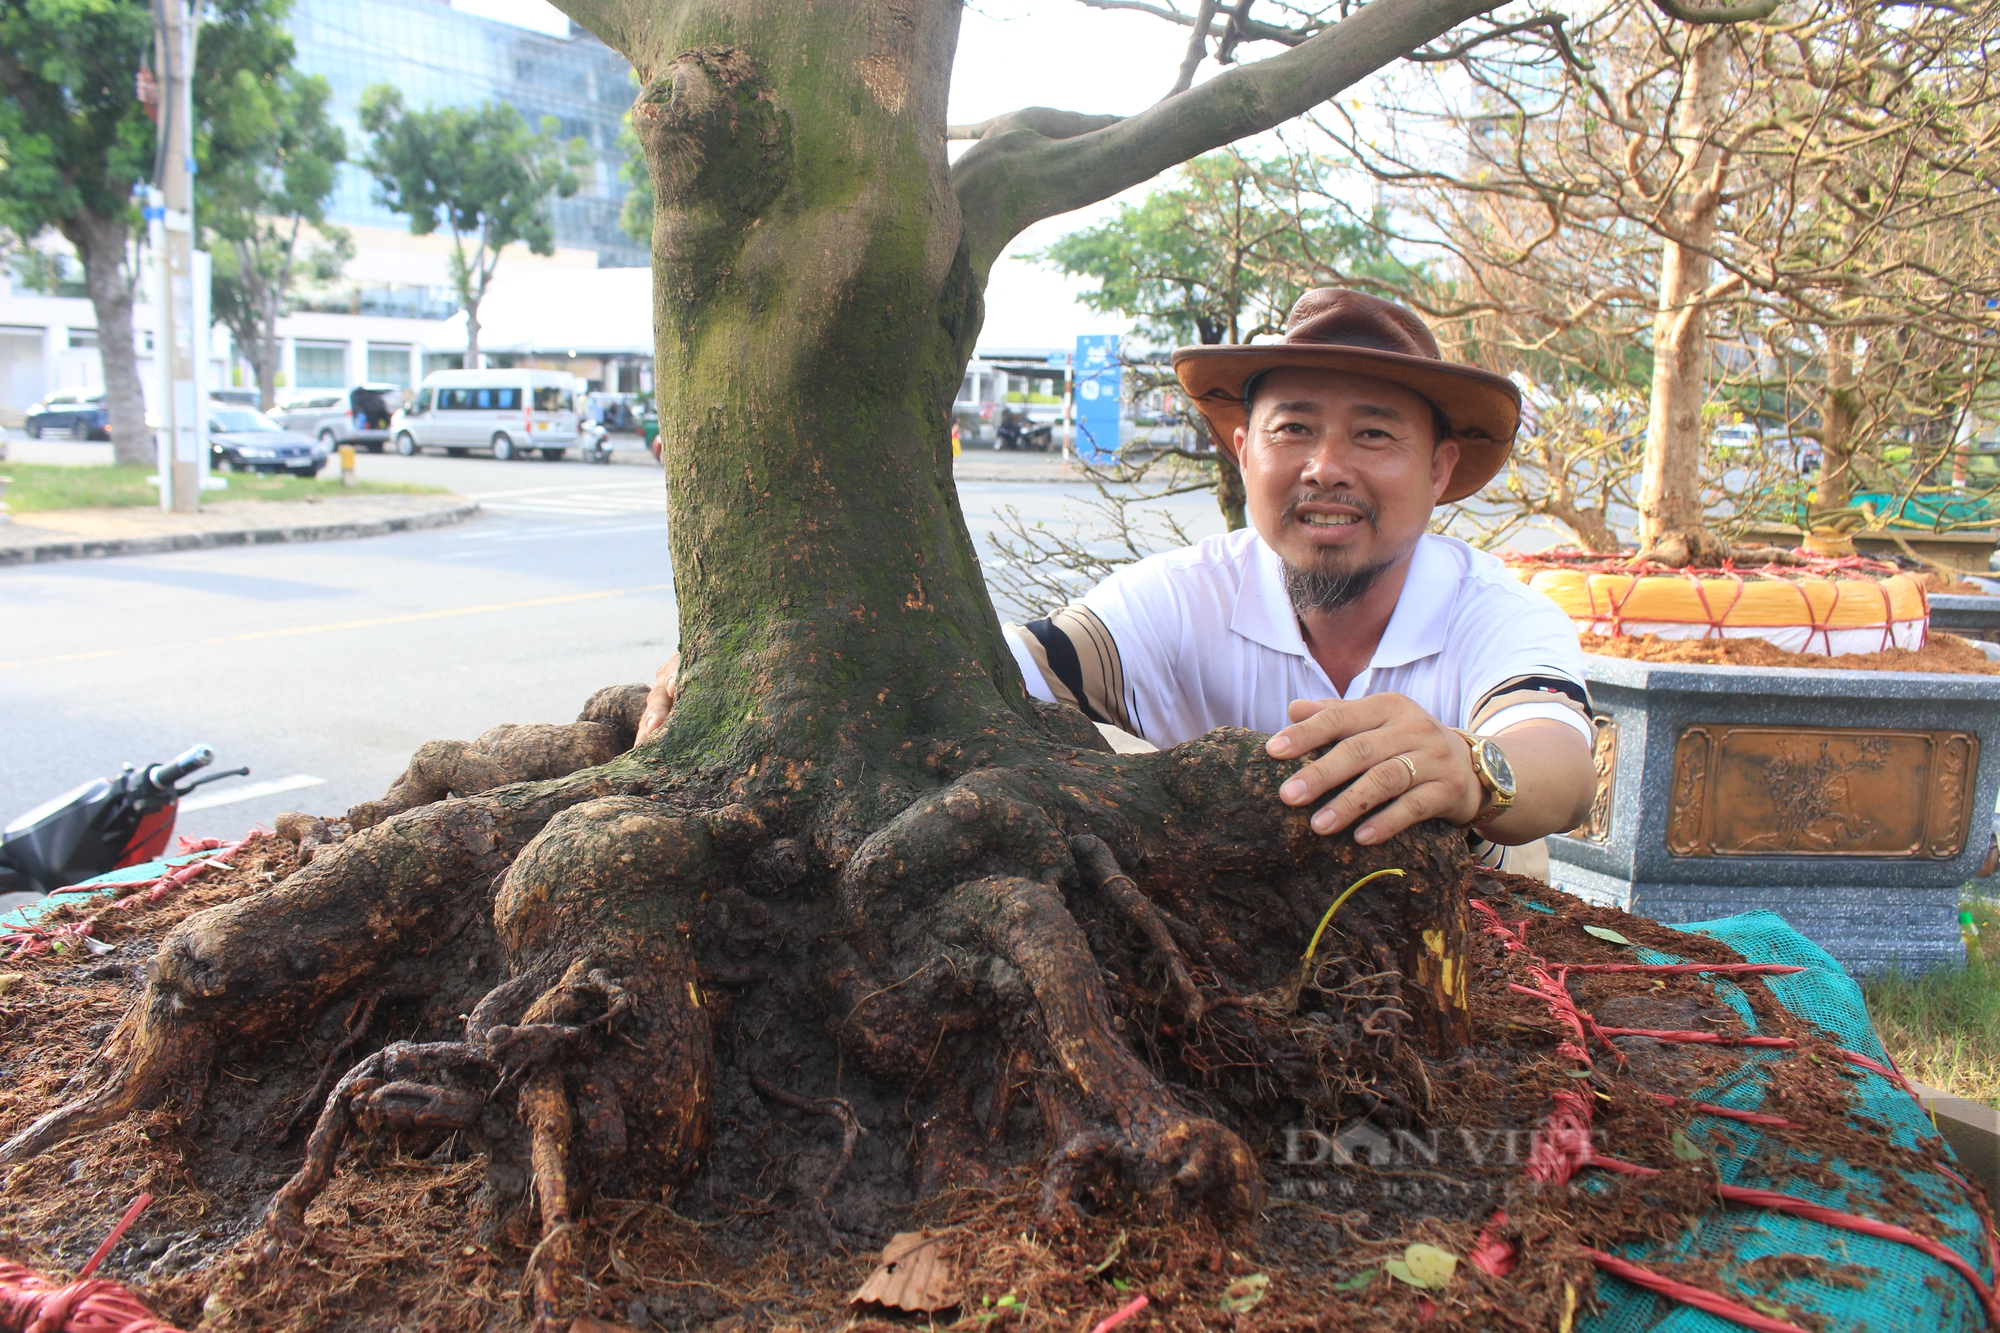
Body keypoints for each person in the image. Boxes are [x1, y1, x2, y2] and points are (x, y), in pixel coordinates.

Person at [636, 289, 1596, 865]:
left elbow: (1557, 761)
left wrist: (1476, 769)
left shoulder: (1491, 613)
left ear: (1437, 470)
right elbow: (999, 672)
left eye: (1375, 434)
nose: (1326, 466)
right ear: (1240, 450)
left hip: (1464, 977)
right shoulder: (1185, 598)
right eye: (1293, 428)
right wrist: (775, 672)